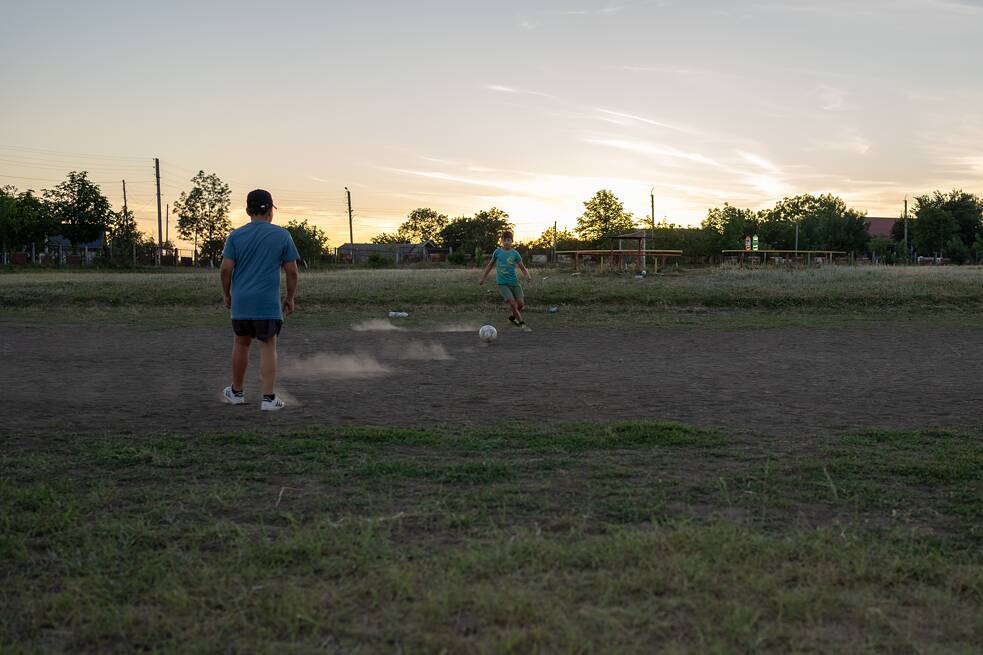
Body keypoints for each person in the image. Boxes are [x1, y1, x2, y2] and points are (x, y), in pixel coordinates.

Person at [219, 189, 300, 411]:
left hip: (242, 302)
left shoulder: (235, 236)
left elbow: (225, 270)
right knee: (268, 345)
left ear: (247, 210)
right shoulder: (282, 235)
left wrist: (227, 295)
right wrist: (290, 297)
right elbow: (292, 272)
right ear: (270, 212)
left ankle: (236, 392)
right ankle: (268, 398)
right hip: (267, 303)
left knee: (240, 343)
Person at [479, 230, 532, 328]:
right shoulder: (497, 252)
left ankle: (512, 317)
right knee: (512, 304)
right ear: (502, 241)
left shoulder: (515, 254)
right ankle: (522, 323)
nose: (507, 242)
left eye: (509, 240)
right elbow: (490, 265)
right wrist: (483, 278)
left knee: (520, 304)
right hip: (502, 283)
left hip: (515, 283)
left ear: (512, 241)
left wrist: (527, 276)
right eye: (505, 240)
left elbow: (522, 267)